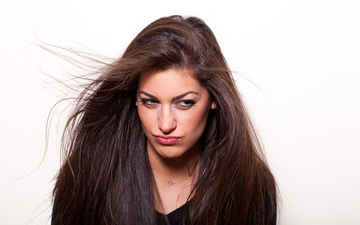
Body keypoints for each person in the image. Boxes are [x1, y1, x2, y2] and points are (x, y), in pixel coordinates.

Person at [51, 15, 277, 225]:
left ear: (214, 99)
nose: (166, 124)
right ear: (134, 99)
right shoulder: (90, 173)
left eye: (185, 103)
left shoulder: (250, 186)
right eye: (150, 102)